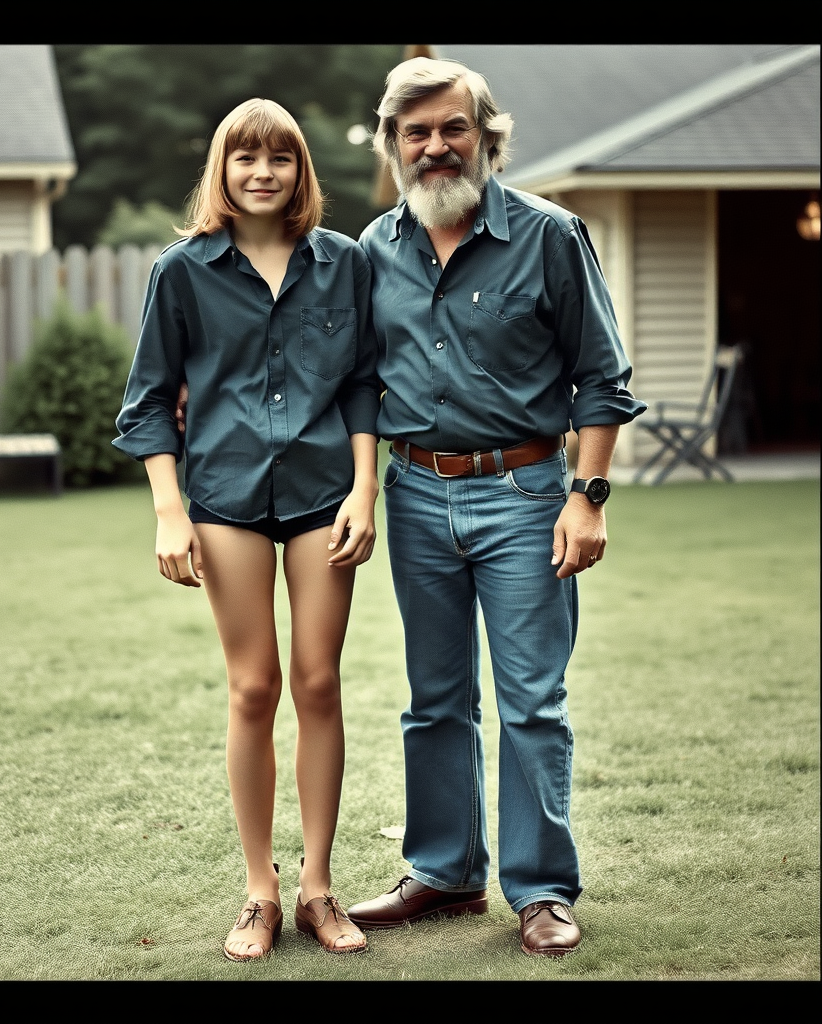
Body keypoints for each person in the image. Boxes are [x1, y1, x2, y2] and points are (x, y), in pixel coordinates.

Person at [343, 56, 646, 957]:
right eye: (416, 133)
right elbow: (362, 381)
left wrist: (585, 499)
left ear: (487, 137)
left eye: (452, 129)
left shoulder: (552, 236)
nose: (435, 148)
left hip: (525, 494)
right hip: (416, 492)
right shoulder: (373, 249)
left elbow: (604, 377)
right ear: (395, 147)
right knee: (434, 698)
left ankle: (542, 889)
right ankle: (442, 874)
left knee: (531, 703)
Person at [112, 98, 378, 962]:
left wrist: (364, 489)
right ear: (220, 172)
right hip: (223, 496)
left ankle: (318, 889)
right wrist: (168, 512)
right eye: (245, 158)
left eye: (281, 159)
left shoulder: (344, 264)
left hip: (322, 493)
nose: (263, 172)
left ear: (302, 172)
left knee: (319, 682)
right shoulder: (181, 271)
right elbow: (148, 400)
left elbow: (364, 385)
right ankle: (260, 891)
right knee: (253, 688)